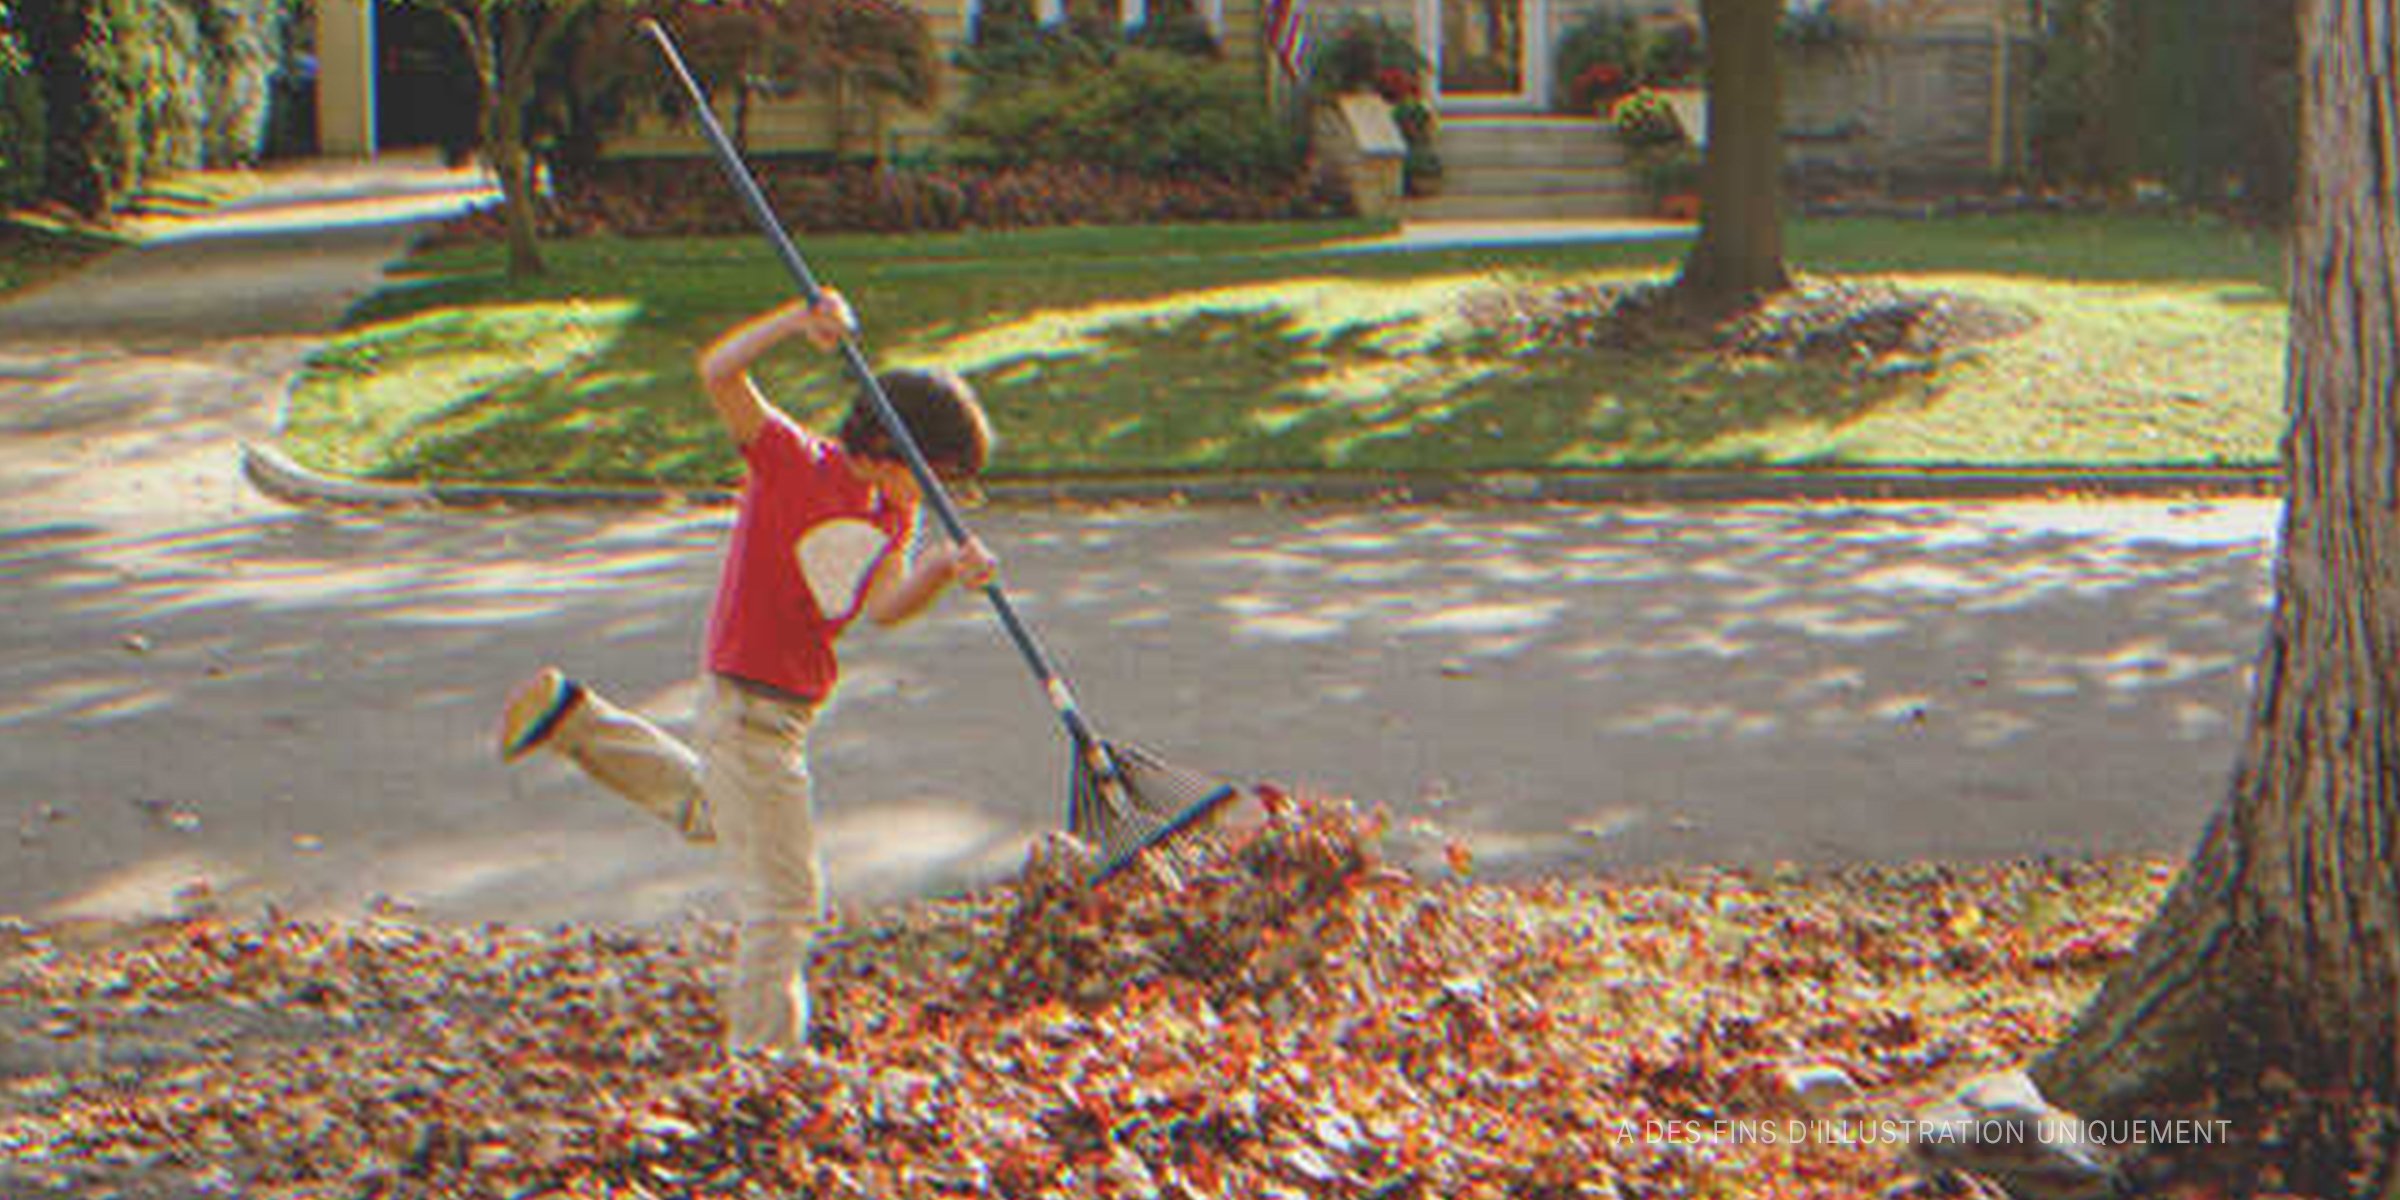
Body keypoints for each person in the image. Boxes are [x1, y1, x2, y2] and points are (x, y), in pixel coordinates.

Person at [496, 291, 995, 1059]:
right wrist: (797, 324)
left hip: (787, 712)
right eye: (939, 475)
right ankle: (764, 1064)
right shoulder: (792, 460)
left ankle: (574, 720)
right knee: (787, 901)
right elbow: (719, 372)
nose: (940, 495)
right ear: (896, 446)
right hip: (746, 704)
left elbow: (884, 606)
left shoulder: (893, 515)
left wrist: (938, 569)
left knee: (717, 815)